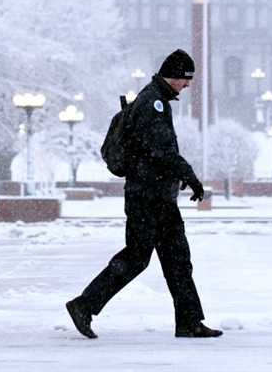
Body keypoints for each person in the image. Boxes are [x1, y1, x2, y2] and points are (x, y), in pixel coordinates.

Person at [66, 49, 223, 339]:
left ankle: (189, 322)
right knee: (139, 257)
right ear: (173, 75)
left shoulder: (157, 100)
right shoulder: (152, 103)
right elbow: (160, 150)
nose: (187, 86)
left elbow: (160, 151)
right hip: (148, 198)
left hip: (157, 197)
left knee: (176, 259)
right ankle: (84, 305)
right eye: (185, 80)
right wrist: (189, 175)